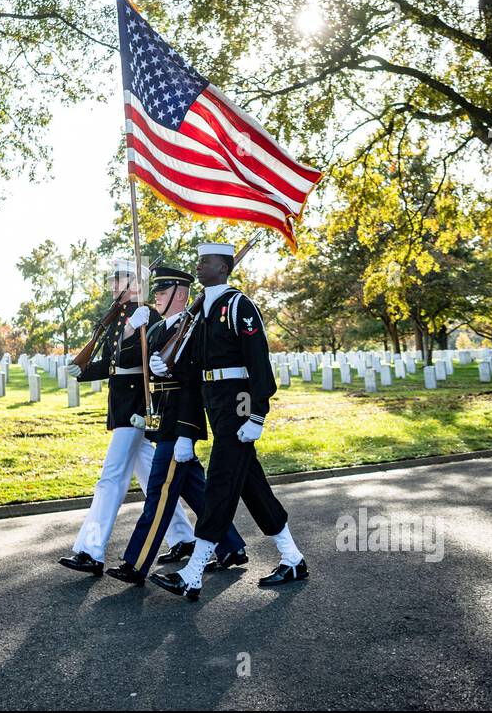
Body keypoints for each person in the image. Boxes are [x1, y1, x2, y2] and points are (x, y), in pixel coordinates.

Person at [149, 242, 308, 601]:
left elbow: (258, 361)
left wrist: (257, 413)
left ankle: (193, 573)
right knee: (251, 486)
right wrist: (163, 366)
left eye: (206, 261)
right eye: (200, 259)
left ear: (223, 266)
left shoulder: (239, 306)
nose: (199, 265)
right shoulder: (200, 309)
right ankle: (293, 558)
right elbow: (189, 371)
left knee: (220, 482)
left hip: (239, 404)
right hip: (215, 404)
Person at [105, 264, 247, 586]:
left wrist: (186, 433)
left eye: (163, 292)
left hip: (178, 428)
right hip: (162, 423)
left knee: (159, 494)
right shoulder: (155, 330)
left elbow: (193, 388)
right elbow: (124, 363)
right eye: (155, 291)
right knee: (195, 489)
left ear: (181, 295)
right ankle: (232, 546)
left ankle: (136, 563)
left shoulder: (193, 332)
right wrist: (130, 330)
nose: (156, 296)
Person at [57, 259, 194, 576]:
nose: (113, 285)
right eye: (113, 280)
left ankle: (91, 551)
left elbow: (137, 358)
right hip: (123, 407)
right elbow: (110, 363)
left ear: (135, 283)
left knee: (110, 479)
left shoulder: (141, 314)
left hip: (135, 410)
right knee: (150, 477)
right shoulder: (120, 316)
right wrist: (80, 370)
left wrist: (134, 329)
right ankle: (184, 537)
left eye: (119, 280)